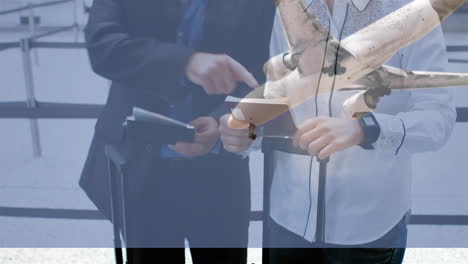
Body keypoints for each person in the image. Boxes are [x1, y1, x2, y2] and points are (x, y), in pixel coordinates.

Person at [221, 0, 456, 263]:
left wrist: (365, 127)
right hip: (288, 215)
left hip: (368, 226)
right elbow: (282, 94)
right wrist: (248, 130)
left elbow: (439, 117)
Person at [79, 0, 275, 263]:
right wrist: (184, 62)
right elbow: (102, 45)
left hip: (220, 169)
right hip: (140, 165)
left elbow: (264, 70)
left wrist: (222, 120)